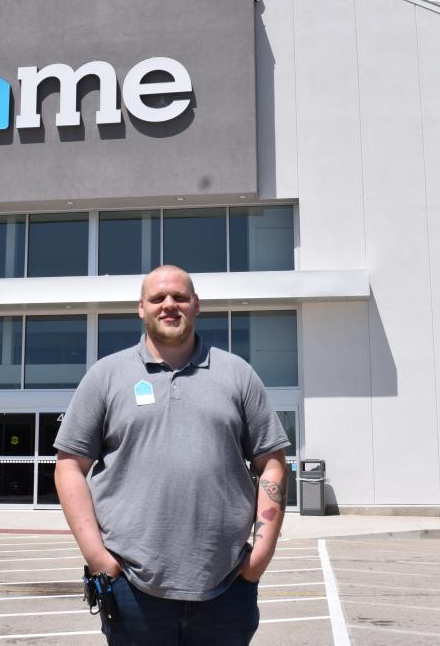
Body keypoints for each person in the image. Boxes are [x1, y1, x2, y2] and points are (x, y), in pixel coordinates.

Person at [53, 264, 291, 645]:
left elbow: (272, 465)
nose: (169, 305)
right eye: (158, 298)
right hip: (131, 585)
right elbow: (69, 467)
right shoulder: (106, 376)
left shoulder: (238, 375)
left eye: (180, 297)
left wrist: (259, 557)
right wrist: (98, 557)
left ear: (196, 305)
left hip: (227, 585)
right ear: (141, 308)